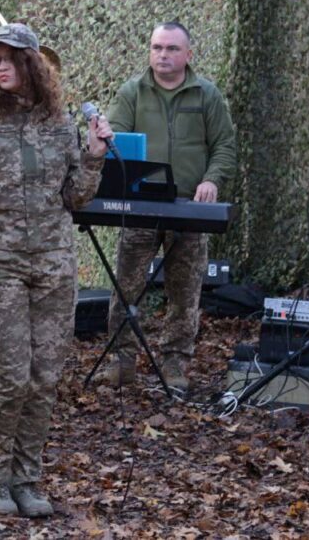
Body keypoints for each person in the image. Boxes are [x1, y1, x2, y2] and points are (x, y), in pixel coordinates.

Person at [0, 23, 110, 516]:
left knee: (44, 377)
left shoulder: (59, 122)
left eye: (11, 59)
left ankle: (26, 478)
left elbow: (75, 196)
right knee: (12, 375)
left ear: (33, 65)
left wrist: (95, 157)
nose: (1, 67)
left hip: (54, 264)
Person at [98, 21, 237, 392]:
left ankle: (175, 366)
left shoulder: (207, 95)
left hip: (189, 208)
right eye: (157, 47)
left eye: (172, 49)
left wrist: (211, 180)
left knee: (185, 292)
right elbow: (115, 140)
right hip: (141, 206)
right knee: (125, 288)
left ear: (188, 55)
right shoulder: (133, 92)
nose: (163, 55)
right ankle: (122, 363)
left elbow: (225, 145)